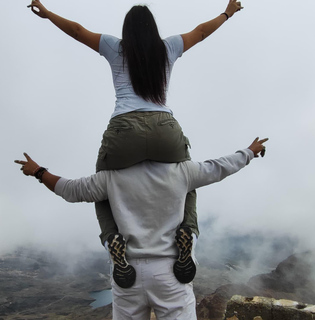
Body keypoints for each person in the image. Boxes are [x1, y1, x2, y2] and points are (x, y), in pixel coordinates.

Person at [27, 0, 244, 287]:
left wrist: (48, 13)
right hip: (165, 129)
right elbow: (201, 32)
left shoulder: (115, 47)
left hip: (123, 131)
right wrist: (227, 13)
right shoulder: (168, 48)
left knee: (102, 186)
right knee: (189, 179)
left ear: (126, 30)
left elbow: (78, 31)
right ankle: (187, 233)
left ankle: (112, 240)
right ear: (153, 29)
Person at [15, 137, 268, 320]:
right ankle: (187, 235)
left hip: (128, 273)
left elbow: (69, 190)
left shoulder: (110, 177)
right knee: (190, 189)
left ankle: (111, 243)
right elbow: (221, 167)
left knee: (100, 197)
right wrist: (249, 151)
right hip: (171, 272)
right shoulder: (182, 170)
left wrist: (38, 171)